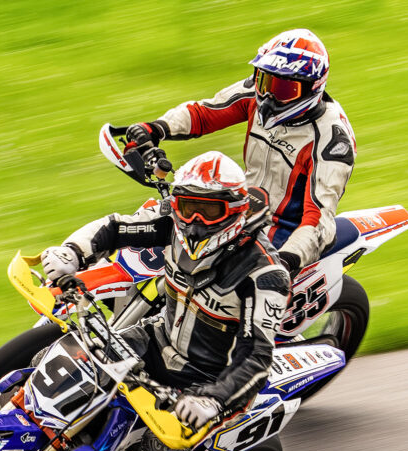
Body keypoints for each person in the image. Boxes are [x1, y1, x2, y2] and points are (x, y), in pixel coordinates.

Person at [41, 151, 289, 451]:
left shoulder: (264, 275)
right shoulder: (174, 224)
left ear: (233, 211)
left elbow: (258, 357)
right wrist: (70, 254)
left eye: (208, 210)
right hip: (154, 341)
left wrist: (212, 401)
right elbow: (115, 227)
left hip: (207, 383)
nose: (194, 219)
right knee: (62, 356)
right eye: (186, 205)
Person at [122, 28, 355, 278]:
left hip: (281, 233)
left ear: (312, 88)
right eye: (265, 81)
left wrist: (286, 262)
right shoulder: (256, 92)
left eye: (284, 90)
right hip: (238, 206)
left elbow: (318, 220)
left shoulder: (331, 141)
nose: (267, 96)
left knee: (215, 294)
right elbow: (204, 112)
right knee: (151, 222)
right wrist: (157, 128)